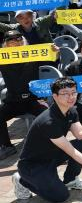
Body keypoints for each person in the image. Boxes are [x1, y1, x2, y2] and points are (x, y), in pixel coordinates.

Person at [12, 77, 82, 202]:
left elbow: (80, 134)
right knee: (61, 196)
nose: (71, 97)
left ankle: (70, 180)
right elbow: (72, 152)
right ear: (55, 96)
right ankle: (22, 180)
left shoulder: (71, 110)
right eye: (65, 94)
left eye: (73, 92)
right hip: (33, 165)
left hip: (52, 155)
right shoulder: (49, 121)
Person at [0, 31, 53, 159]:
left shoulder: (32, 54)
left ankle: (50, 146)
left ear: (23, 41)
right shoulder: (2, 58)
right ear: (6, 44)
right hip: (13, 101)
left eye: (18, 40)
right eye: (11, 41)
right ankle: (6, 146)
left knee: (48, 115)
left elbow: (52, 62)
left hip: (33, 99)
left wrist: (54, 52)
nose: (15, 43)